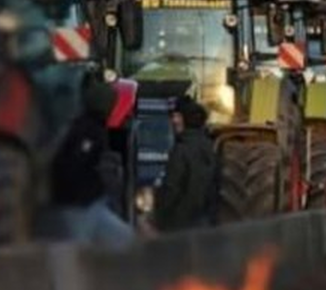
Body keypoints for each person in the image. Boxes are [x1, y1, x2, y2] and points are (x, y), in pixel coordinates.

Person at [41, 79, 135, 249]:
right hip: (78, 206)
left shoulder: (88, 127)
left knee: (125, 240)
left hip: (91, 204)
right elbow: (74, 165)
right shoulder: (89, 131)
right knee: (76, 253)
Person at [153, 95, 216, 232]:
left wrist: (158, 217)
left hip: (179, 225)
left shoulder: (181, 150)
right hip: (206, 225)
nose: (173, 121)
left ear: (185, 119)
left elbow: (171, 188)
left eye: (177, 116)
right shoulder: (211, 148)